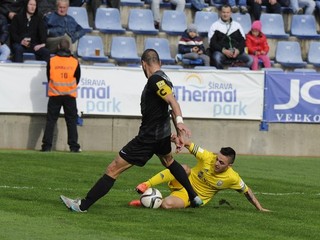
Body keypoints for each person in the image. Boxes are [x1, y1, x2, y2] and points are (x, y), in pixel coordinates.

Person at [60, 49, 203, 212]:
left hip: (148, 137)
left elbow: (172, 102)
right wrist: (178, 131)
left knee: (113, 168)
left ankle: (82, 206)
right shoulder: (165, 78)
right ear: (160, 63)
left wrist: (180, 122)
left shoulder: (155, 79)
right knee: (168, 161)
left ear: (143, 64)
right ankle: (193, 196)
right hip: (162, 135)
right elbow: (169, 107)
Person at [129, 133, 270, 211]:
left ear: (230, 165)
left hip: (193, 198)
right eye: (217, 159)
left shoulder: (232, 178)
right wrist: (177, 140)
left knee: (167, 205)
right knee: (183, 168)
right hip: (182, 182)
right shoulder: (208, 157)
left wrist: (260, 208)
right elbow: (189, 144)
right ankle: (146, 185)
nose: (216, 163)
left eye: (222, 162)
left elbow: (247, 191)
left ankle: (144, 202)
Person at [41, 38, 81, 152]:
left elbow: (49, 76)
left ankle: (46, 146)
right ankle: (74, 147)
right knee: (71, 121)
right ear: (68, 48)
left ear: (58, 47)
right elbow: (77, 78)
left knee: (51, 120)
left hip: (55, 94)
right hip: (70, 95)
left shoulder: (52, 61)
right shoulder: (74, 61)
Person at [208, 4, 253, 69]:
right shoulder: (214, 26)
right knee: (216, 57)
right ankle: (222, 76)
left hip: (236, 53)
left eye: (227, 12)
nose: (225, 14)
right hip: (222, 53)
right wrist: (223, 50)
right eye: (224, 12)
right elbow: (212, 43)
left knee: (250, 60)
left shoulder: (237, 25)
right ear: (220, 13)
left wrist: (238, 50)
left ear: (231, 13)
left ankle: (237, 72)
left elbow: (243, 41)